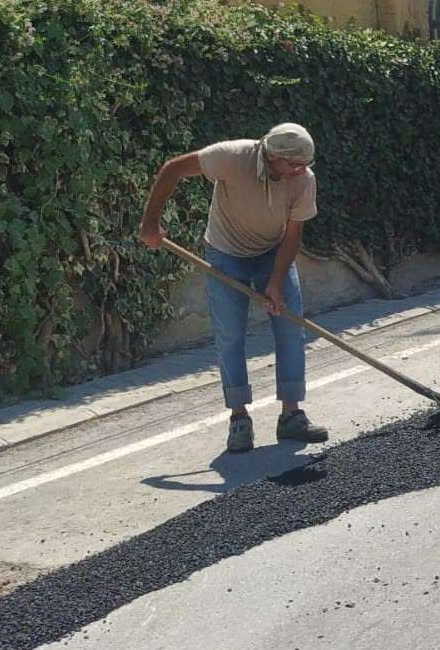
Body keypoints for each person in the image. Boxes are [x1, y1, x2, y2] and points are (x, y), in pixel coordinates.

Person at [138, 123, 329, 454]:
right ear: (271, 156)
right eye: (293, 164)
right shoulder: (230, 156)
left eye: (305, 165)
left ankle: (291, 416)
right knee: (230, 337)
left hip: (273, 252)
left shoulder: (303, 180)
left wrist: (275, 283)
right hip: (226, 255)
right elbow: (172, 170)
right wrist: (150, 222)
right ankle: (239, 419)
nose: (300, 171)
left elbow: (294, 233)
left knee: (291, 329)